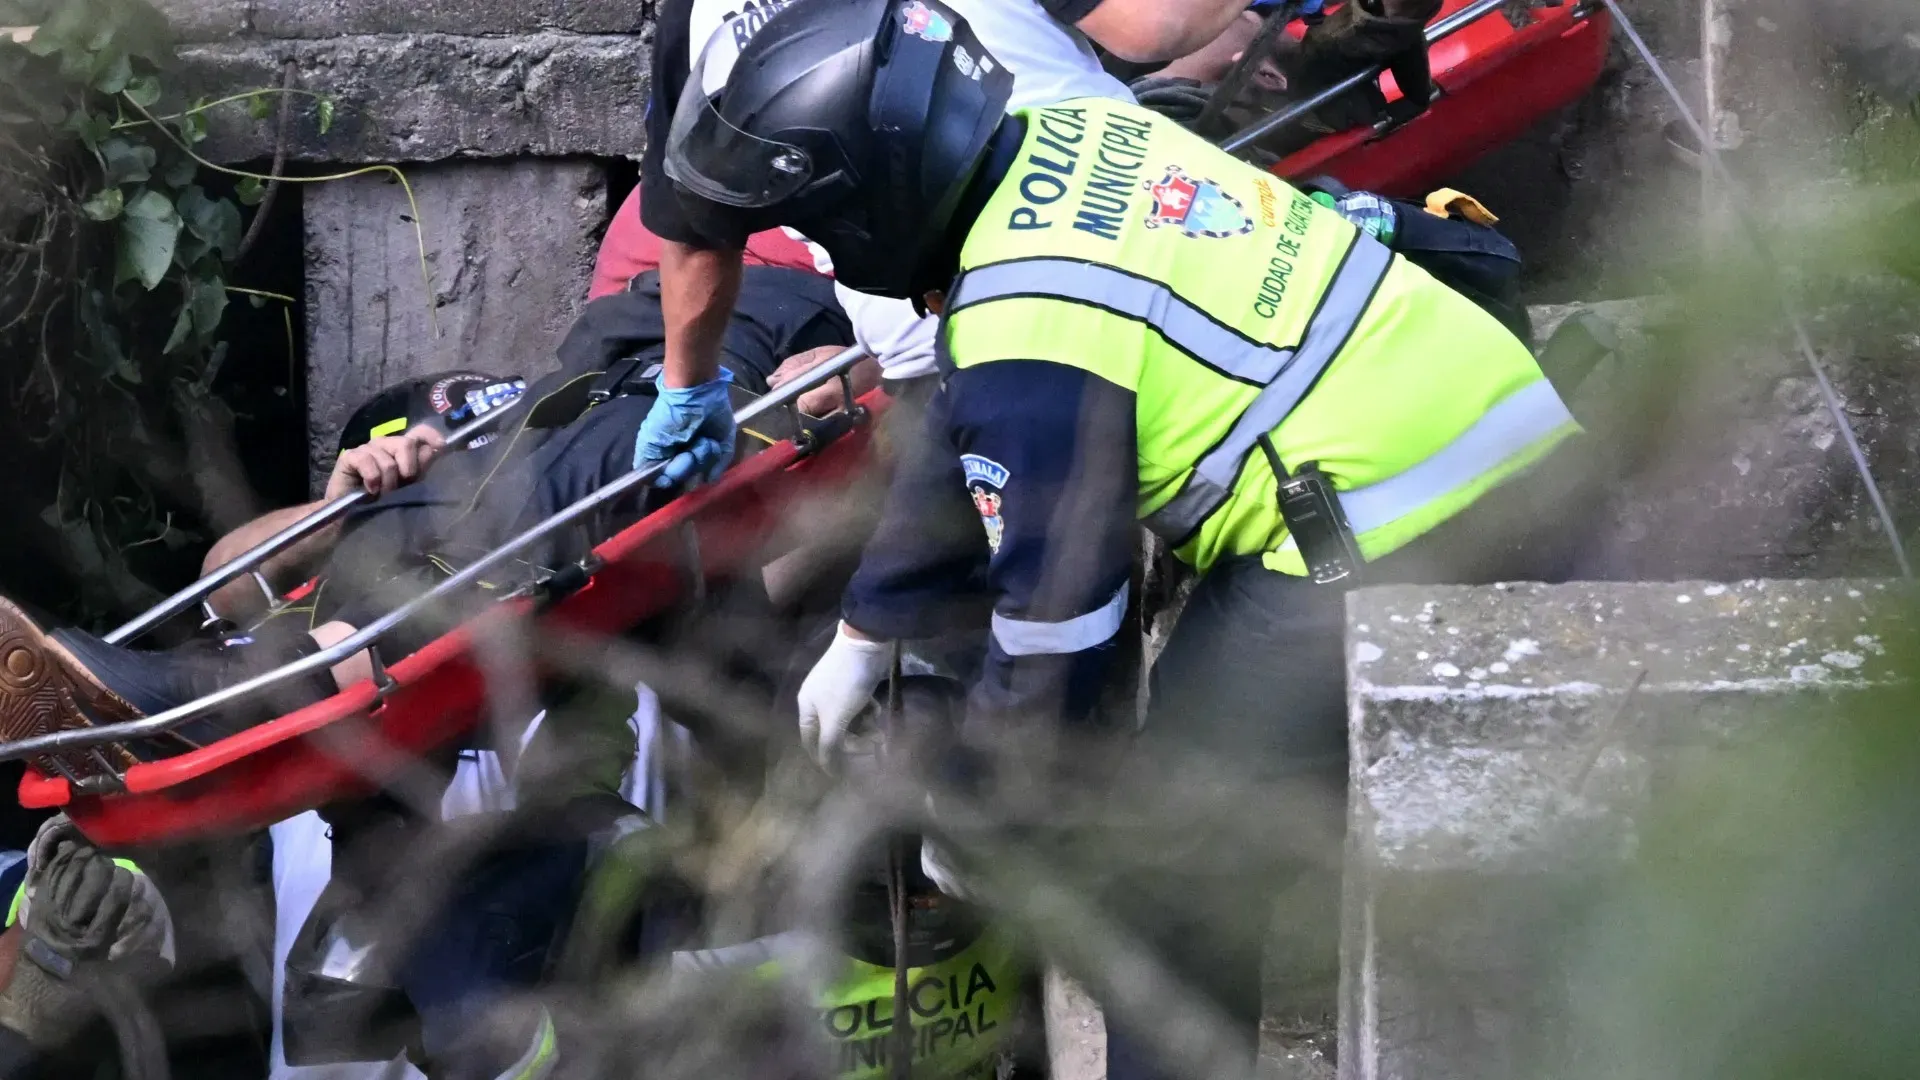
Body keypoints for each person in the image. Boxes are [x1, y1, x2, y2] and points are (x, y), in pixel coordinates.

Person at [663, 2, 1594, 1077]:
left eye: (821, 224)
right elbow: (974, 425)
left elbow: (1061, 622)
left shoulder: (1028, 322)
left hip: (1400, 521)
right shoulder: (1075, 139)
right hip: (1484, 433)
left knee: (1159, 891)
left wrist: (972, 808)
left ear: (875, 197)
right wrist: (871, 625)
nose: (822, 249)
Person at [0, 257, 854, 775]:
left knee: (524, 491)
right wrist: (344, 510)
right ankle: (199, 696)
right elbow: (220, 583)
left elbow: (854, 399)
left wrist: (832, 382)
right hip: (606, 388)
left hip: (684, 395)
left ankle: (216, 701)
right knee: (462, 501)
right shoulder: (403, 499)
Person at [631, 0, 1265, 492]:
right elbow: (1151, 25)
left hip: (942, 343)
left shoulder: (699, 19)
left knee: (999, 573)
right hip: (1118, 239)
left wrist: (688, 388)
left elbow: (697, 234)